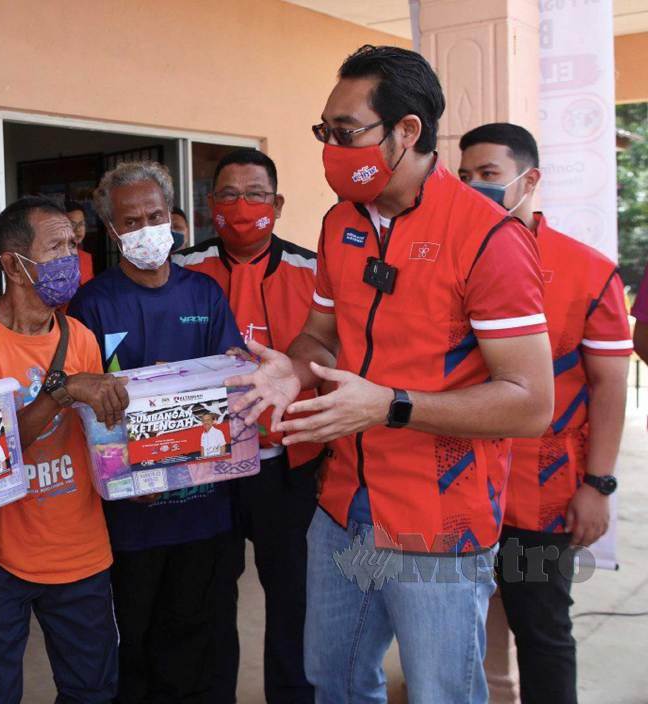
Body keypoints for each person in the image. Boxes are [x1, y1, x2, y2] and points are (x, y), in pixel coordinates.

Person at [228, 46, 553, 703]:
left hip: (438, 515)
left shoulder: (488, 238)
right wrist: (293, 372)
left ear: (406, 132)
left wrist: (388, 406)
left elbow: (529, 403)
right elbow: (321, 335)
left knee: (441, 691)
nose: (330, 148)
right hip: (345, 503)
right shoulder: (339, 222)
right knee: (336, 678)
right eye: (325, 132)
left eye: (346, 133)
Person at [459, 122, 631, 704]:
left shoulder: (586, 270)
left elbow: (610, 386)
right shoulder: (443, 260)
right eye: (463, 177)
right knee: (453, 633)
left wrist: (599, 484)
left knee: (542, 631)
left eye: (488, 175)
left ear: (528, 180)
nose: (474, 187)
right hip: (453, 486)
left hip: (541, 496)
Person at [0, 196, 128, 704]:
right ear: (12, 263)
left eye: (73, 244)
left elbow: (105, 442)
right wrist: (63, 391)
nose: (71, 257)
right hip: (5, 555)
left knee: (92, 690)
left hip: (84, 554)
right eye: (56, 247)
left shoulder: (82, 338)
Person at [69, 161, 244, 703]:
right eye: (130, 220)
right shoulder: (92, 305)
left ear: (172, 218)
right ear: (112, 230)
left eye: (155, 215)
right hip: (132, 519)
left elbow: (232, 382)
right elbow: (83, 404)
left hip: (205, 509)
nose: (146, 228)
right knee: (135, 650)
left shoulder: (205, 295)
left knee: (201, 642)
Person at [173, 147, 320, 703]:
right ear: (212, 206)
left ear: (277, 204)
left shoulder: (315, 271)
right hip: (208, 470)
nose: (242, 206)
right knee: (205, 603)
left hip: (289, 468)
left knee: (294, 604)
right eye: (229, 195)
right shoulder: (183, 270)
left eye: (255, 194)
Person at [64, 200, 95, 284]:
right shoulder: (52, 260)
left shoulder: (85, 257)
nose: (78, 229)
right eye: (72, 224)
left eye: (81, 224)